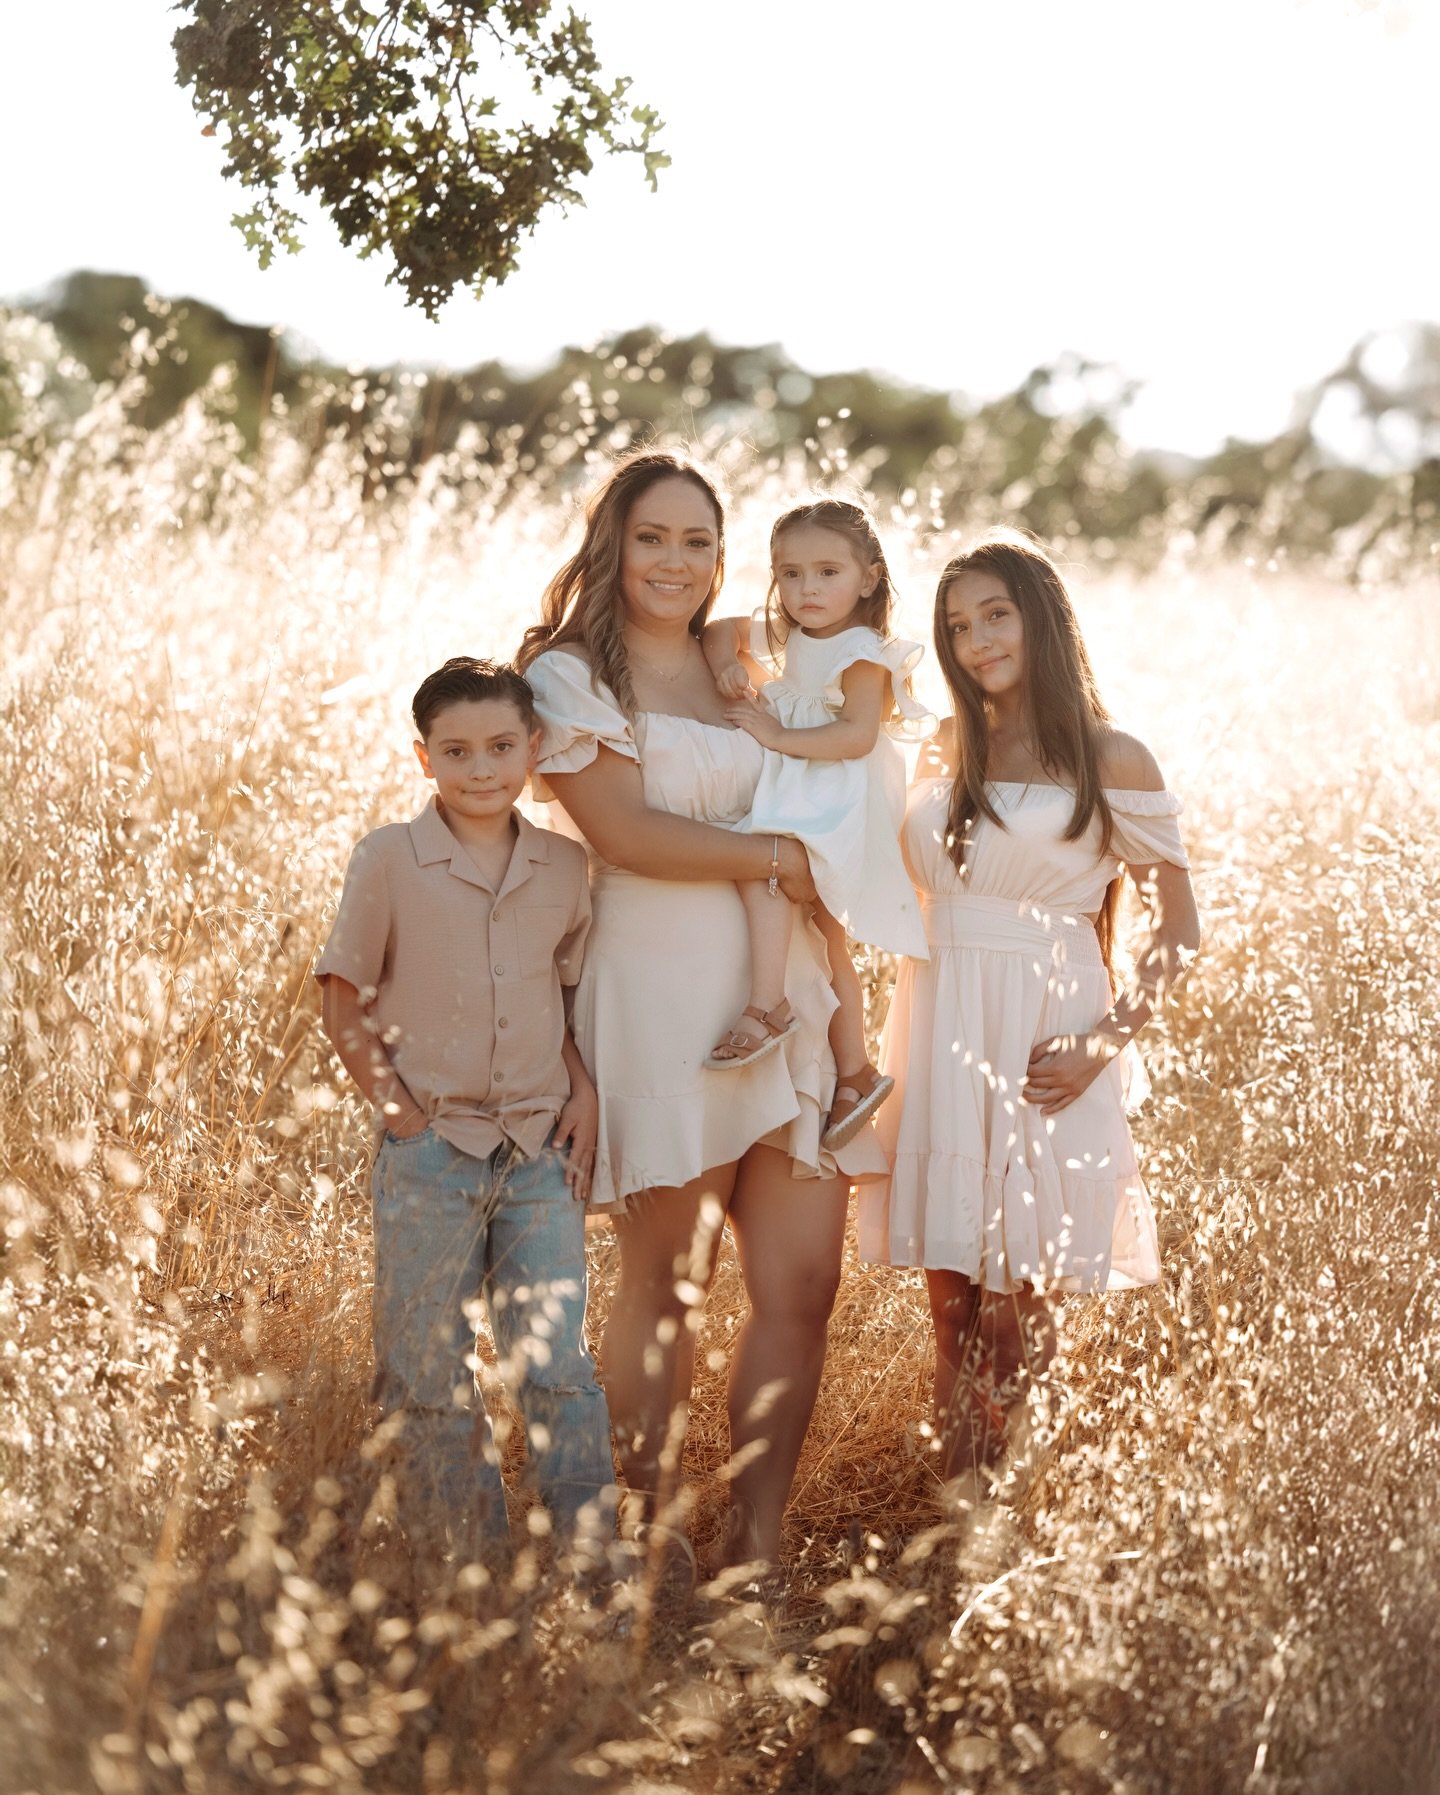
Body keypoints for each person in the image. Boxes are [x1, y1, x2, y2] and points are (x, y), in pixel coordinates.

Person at [517, 452, 886, 1572]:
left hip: (793, 992)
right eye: (653, 538)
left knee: (803, 1281)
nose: (676, 562)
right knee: (669, 1277)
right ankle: (659, 1522)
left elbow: (856, 758)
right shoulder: (570, 675)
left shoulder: (751, 668)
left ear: (726, 561)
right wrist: (787, 855)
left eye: (699, 543)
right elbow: (624, 833)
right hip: (657, 985)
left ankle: (757, 1539)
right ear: (612, 548)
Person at [857, 532, 1201, 1486]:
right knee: (952, 1307)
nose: (976, 641)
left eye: (994, 614)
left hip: (1049, 1038)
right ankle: (957, 1514)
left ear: (1040, 617)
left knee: (1017, 1309)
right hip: (940, 1021)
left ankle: (1009, 1512)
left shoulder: (1110, 755)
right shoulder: (942, 743)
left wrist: (1103, 1043)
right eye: (957, 625)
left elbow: (1179, 931)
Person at [316, 657, 615, 1569]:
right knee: (426, 1368)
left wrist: (585, 1089)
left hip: (537, 1148)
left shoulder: (565, 865)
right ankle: (468, 1563)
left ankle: (591, 1559)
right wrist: (402, 1114)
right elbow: (341, 998)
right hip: (432, 1150)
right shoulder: (391, 858)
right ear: (423, 758)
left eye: (498, 747)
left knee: (557, 1362)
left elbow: (558, 1003)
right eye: (456, 751)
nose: (480, 768)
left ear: (532, 747)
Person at [699, 498, 932, 1151]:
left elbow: (858, 736)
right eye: (790, 573)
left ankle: (767, 1004)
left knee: (760, 870)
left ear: (868, 576)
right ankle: (855, 1071)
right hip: (808, 782)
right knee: (829, 942)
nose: (806, 589)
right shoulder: (793, 628)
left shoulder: (862, 650)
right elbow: (722, 628)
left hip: (840, 790)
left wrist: (773, 731)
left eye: (827, 572)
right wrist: (723, 660)